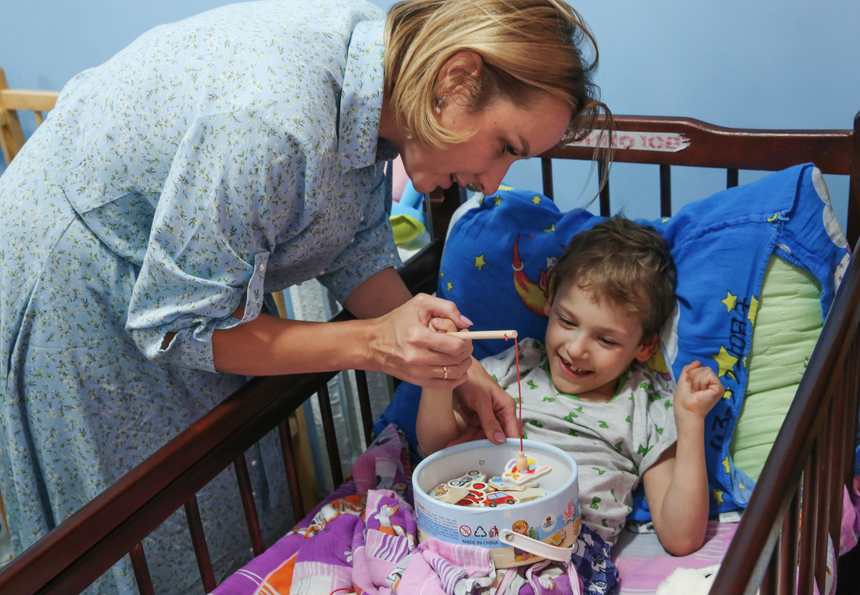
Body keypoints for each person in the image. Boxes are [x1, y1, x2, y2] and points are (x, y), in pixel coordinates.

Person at [0, 0, 609, 592]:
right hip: (77, 288)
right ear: (455, 80)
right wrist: (373, 343)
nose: (493, 182)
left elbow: (353, 242)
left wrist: (463, 367)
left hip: (178, 284)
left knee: (226, 507)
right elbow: (178, 326)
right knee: (141, 537)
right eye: (505, 146)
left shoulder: (382, 81)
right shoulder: (275, 118)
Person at [417, 216, 724, 560]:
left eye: (606, 339)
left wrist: (691, 420)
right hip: (468, 539)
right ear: (549, 302)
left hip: (562, 557)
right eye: (566, 321)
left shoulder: (645, 406)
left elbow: (681, 537)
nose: (577, 349)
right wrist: (440, 376)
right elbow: (436, 449)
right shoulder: (513, 367)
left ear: (645, 346)